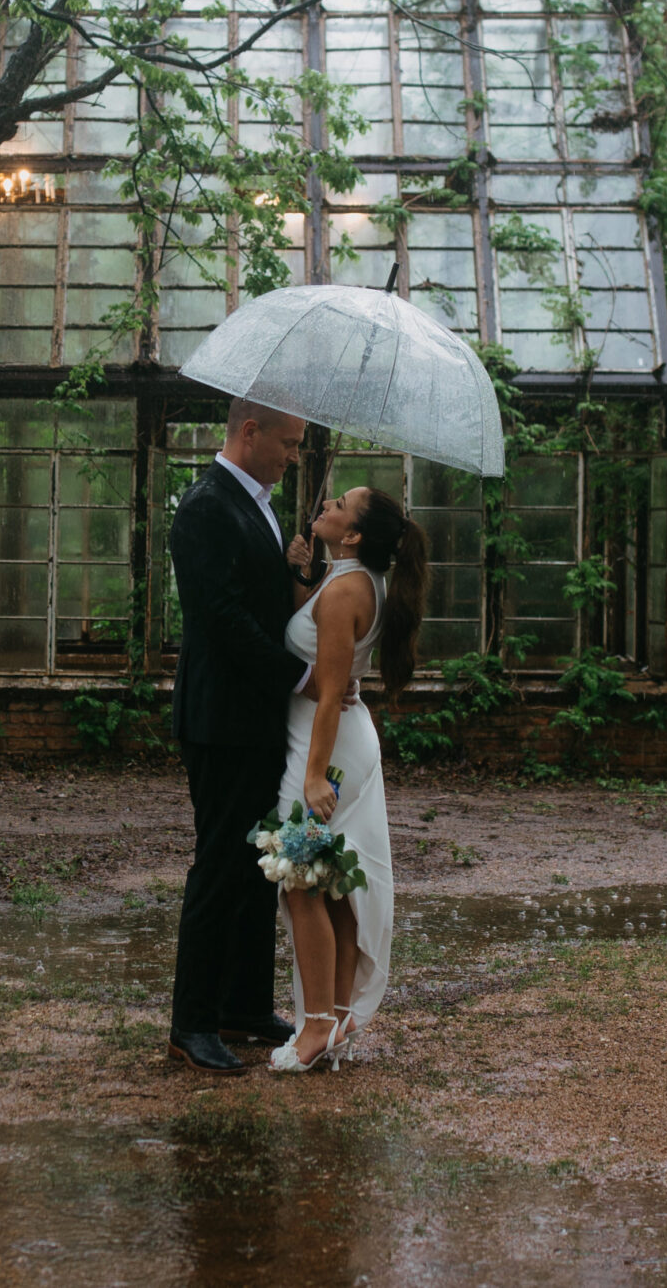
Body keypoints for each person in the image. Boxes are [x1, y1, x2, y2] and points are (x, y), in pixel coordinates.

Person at [166, 400, 312, 1074]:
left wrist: (300, 574)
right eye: (288, 442)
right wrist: (299, 673)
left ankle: (245, 1004)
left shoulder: (256, 501)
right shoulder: (204, 506)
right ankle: (192, 1020)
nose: (293, 455)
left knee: (258, 866)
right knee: (222, 866)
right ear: (248, 432)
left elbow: (258, 596)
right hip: (221, 722)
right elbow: (221, 617)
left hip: (255, 719)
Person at [268, 484, 428, 1074]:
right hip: (339, 739)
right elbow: (318, 648)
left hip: (325, 746)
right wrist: (303, 578)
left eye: (339, 505)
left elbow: (330, 691)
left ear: (355, 534)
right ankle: (333, 1017)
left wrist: (312, 779)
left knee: (299, 877)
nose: (327, 505)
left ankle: (312, 1028)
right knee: (328, 882)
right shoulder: (355, 582)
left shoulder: (347, 593)